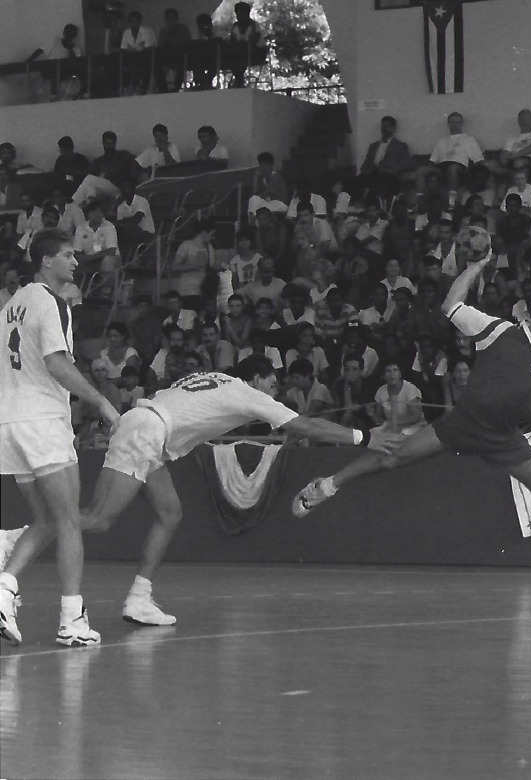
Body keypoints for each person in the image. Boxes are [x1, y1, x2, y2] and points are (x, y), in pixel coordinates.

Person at [290, 251, 531, 568]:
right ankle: (326, 486)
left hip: (505, 437)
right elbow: (451, 304)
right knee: (393, 457)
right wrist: (474, 267)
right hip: (463, 423)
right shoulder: (498, 330)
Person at [78, 356, 401, 626]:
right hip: (146, 432)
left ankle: (139, 599)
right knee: (99, 519)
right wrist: (364, 437)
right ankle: (29, 536)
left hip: (147, 428)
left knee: (169, 512)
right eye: (271, 383)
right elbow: (305, 426)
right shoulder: (249, 395)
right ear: (257, 379)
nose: (273, 391)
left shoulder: (216, 377)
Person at [0, 230, 121, 646]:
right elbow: (56, 362)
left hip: (9, 424)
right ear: (46, 260)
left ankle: (5, 587)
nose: (76, 263)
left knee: (49, 518)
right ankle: (72, 620)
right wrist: (103, 403)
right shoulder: (51, 302)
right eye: (68, 256)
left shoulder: (9, 305)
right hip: (42, 420)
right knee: (69, 520)